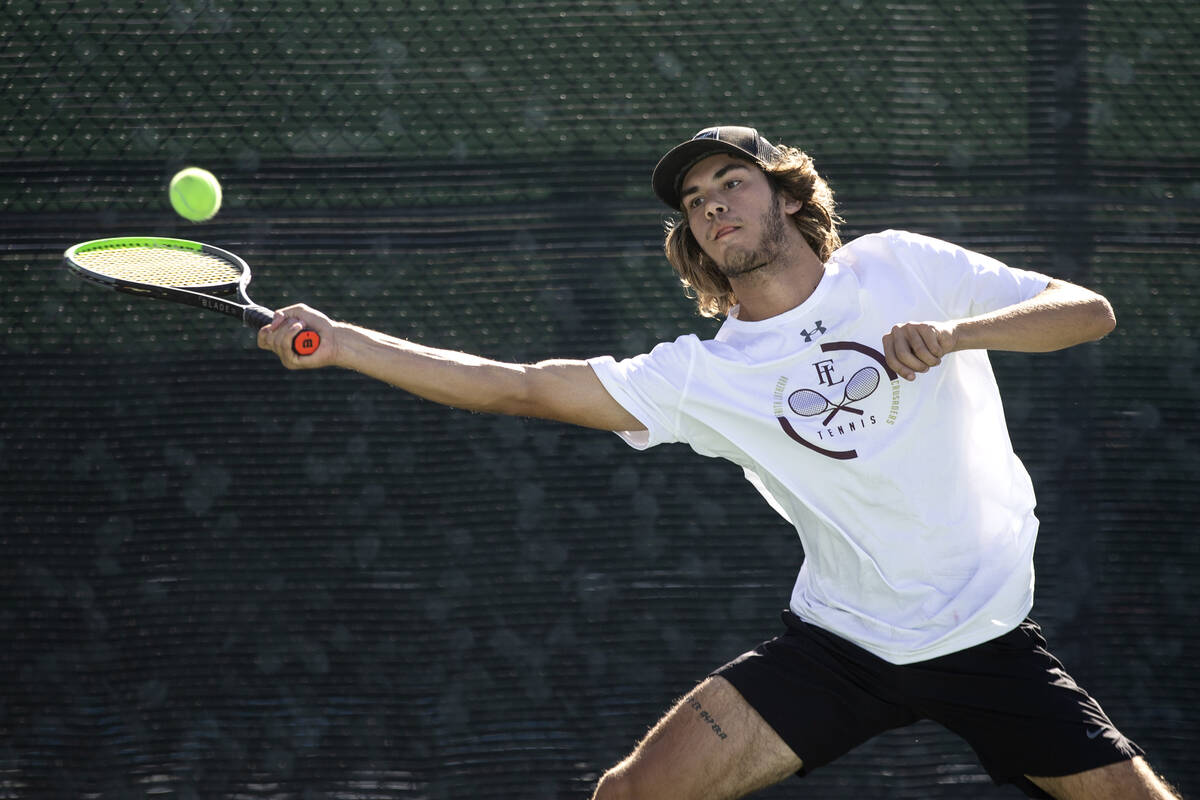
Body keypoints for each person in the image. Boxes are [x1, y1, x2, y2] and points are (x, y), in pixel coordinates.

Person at [258, 126, 1180, 800]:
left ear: (785, 194)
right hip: (843, 646)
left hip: (988, 640)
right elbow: (521, 387)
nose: (710, 204)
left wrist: (953, 333)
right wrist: (344, 344)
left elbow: (1086, 309)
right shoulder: (703, 374)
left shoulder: (901, 266)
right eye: (695, 202)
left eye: (729, 182)